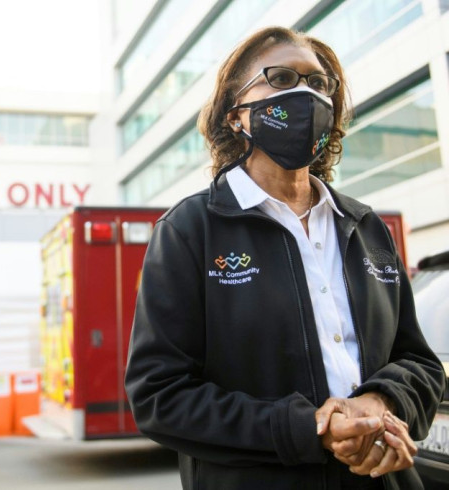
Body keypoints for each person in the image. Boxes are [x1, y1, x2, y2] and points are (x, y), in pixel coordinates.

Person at [124, 26, 445, 490]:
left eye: (319, 84)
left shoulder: (365, 226)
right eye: (281, 78)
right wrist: (309, 428)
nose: (307, 94)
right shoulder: (190, 230)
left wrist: (381, 402)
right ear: (236, 115)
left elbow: (419, 362)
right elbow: (160, 396)